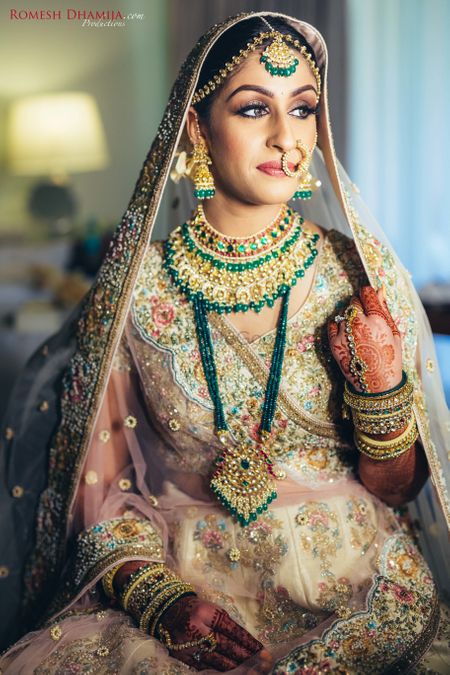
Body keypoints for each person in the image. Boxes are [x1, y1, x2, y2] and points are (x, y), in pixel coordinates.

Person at [0, 11, 449, 674]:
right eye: (252, 109)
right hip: (188, 585)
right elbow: (97, 492)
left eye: (302, 109)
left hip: (356, 586)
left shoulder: (356, 272)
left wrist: (379, 387)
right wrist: (159, 599)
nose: (287, 137)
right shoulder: (136, 286)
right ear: (197, 127)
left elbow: (399, 487)